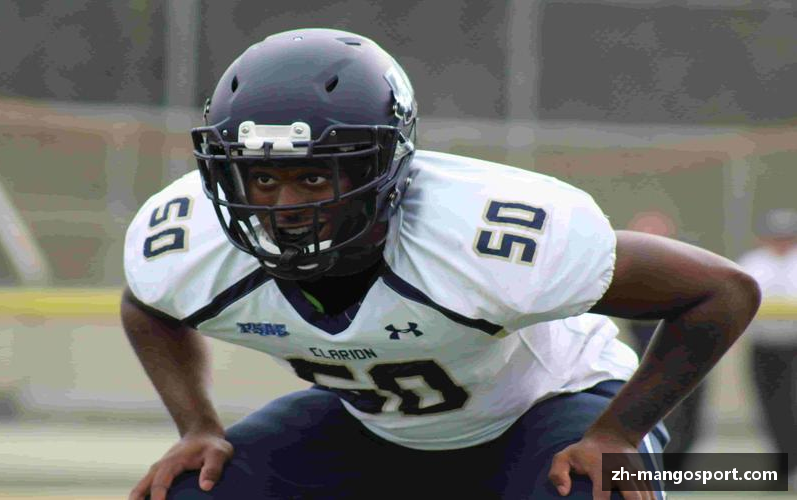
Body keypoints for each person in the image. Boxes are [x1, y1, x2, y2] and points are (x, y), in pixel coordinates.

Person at [122, 29, 761, 499]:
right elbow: (145, 306)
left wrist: (618, 432)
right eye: (262, 179)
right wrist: (197, 425)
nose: (285, 206)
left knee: (598, 488)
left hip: (546, 408)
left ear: (380, 168)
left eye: (313, 177)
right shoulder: (191, 243)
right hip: (377, 428)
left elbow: (722, 290)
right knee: (192, 487)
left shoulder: (478, 235)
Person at [623, 211, 705, 456]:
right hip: (649, 342)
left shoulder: (687, 258)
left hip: (690, 341)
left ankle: (680, 460)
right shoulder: (628, 263)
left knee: (690, 406)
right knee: (659, 405)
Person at [737, 208, 797, 480]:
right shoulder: (752, 264)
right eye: (776, 236)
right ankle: (783, 465)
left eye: (786, 236)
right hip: (763, 346)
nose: (781, 242)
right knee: (771, 408)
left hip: (793, 345)